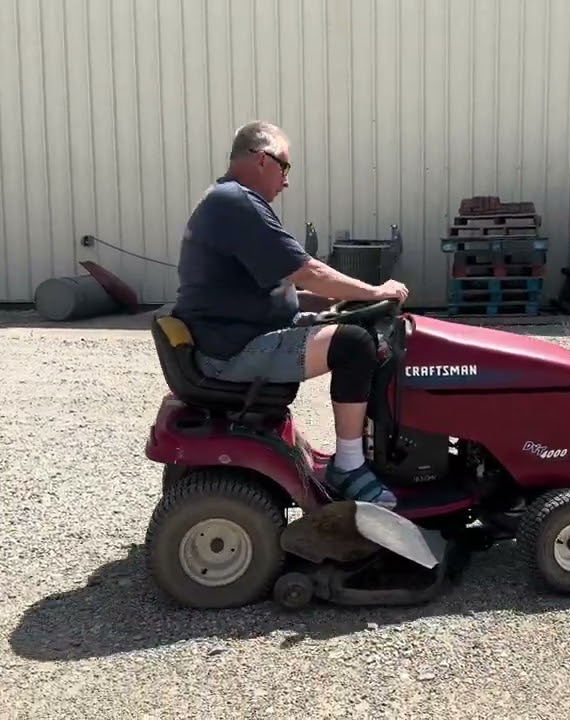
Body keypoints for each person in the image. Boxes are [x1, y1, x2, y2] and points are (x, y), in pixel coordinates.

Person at [172, 121, 409, 509]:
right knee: (355, 345)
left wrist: (331, 306)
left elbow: (269, 286)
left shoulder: (226, 201)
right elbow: (308, 271)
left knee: (351, 329)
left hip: (230, 336)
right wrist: (375, 292)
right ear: (262, 159)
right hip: (233, 351)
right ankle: (349, 466)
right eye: (286, 167)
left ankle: (362, 453)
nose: (286, 181)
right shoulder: (238, 203)